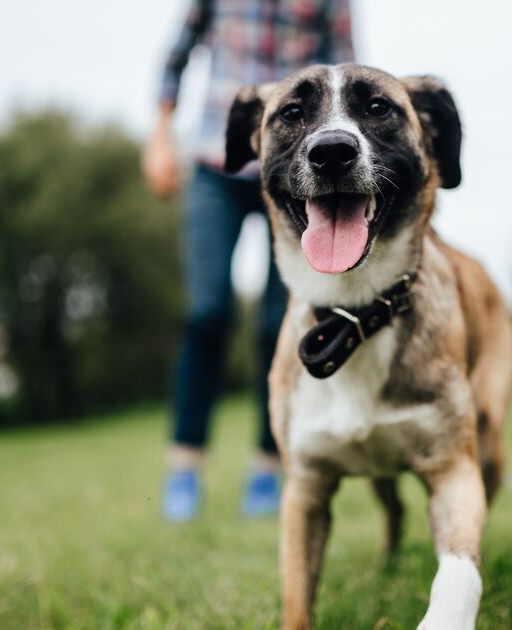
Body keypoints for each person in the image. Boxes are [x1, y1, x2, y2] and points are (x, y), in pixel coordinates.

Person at [145, 0, 356, 522]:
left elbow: (347, 71)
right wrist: (159, 136)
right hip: (217, 161)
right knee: (206, 312)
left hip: (294, 164)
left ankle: (267, 466)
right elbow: (177, 55)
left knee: (278, 323)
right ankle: (185, 468)